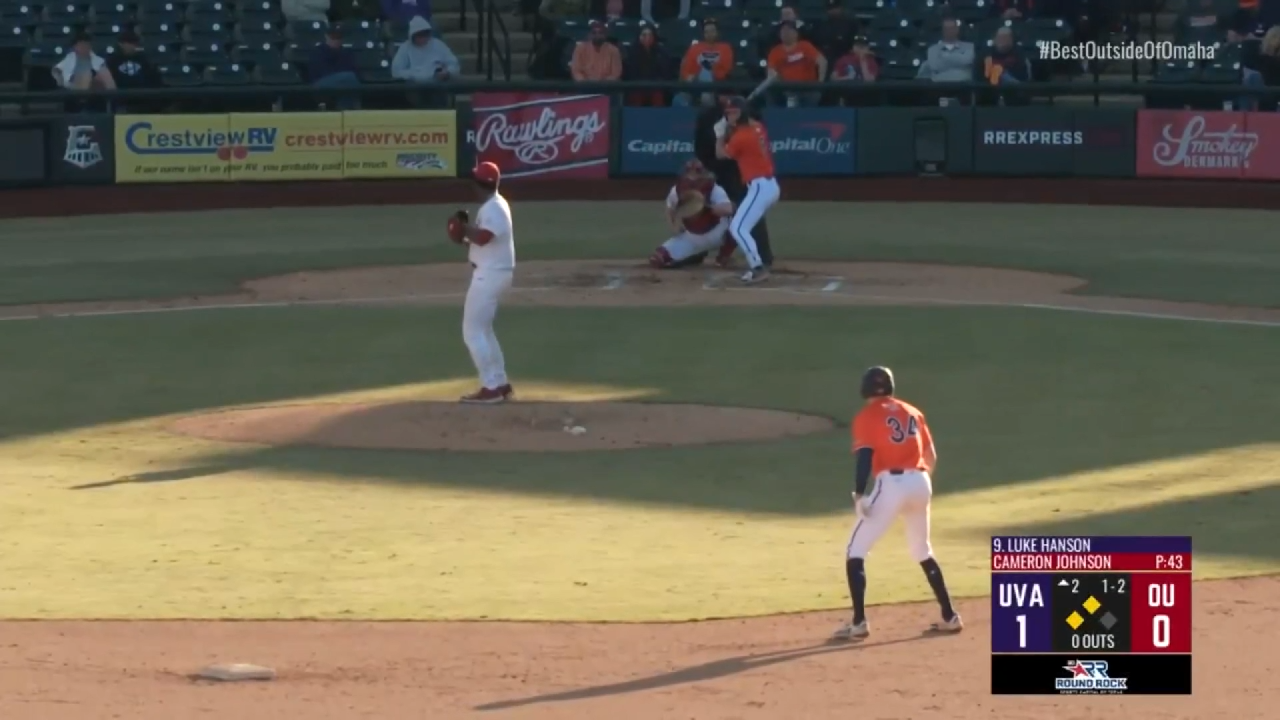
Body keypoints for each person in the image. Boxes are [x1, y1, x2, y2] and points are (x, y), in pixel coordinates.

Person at [830, 366, 963, 641]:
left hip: (891, 483)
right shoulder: (913, 412)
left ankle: (859, 623)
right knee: (922, 550)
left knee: (856, 549)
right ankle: (950, 616)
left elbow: (865, 457)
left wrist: (859, 493)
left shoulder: (867, 416)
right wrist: (917, 485)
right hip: (921, 481)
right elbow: (931, 455)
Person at [454, 162, 516, 404]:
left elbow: (483, 237)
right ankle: (500, 382)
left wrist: (463, 229)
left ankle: (490, 388)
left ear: (479, 185)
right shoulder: (496, 205)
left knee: (472, 331)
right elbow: (481, 240)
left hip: (490, 275)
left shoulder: (494, 208)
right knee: (484, 330)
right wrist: (464, 236)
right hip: (495, 273)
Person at [694, 92, 770, 268]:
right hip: (714, 170)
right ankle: (695, 253)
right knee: (702, 209)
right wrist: (708, 168)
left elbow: (742, 144)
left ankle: (763, 257)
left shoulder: (751, 116)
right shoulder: (707, 116)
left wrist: (728, 129)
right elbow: (701, 147)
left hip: (739, 171)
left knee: (750, 212)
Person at [716, 95, 776, 283]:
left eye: (733, 113)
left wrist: (719, 135)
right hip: (767, 186)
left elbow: (721, 154)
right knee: (743, 227)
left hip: (760, 187)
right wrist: (733, 121)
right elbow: (749, 124)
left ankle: (758, 268)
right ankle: (758, 264)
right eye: (728, 113)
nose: (729, 116)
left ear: (741, 114)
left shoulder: (741, 137)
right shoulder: (757, 128)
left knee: (738, 228)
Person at [649, 159, 735, 269]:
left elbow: (729, 209)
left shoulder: (714, 189)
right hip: (692, 236)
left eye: (697, 172)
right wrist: (673, 226)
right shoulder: (677, 190)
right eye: (691, 172)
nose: (694, 176)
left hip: (717, 233)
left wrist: (706, 206)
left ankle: (724, 255)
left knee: (738, 223)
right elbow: (670, 208)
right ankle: (696, 255)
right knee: (658, 258)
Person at [391, 17, 460, 108]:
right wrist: (415, 75)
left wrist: (447, 72)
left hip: (437, 84)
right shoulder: (405, 48)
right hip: (415, 87)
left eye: (425, 34)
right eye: (419, 35)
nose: (423, 38)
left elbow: (453, 63)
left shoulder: (438, 45)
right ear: (413, 35)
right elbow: (396, 71)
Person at [765, 20, 825, 107]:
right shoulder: (775, 51)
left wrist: (820, 83)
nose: (785, 33)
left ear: (796, 33)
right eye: (783, 31)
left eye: (789, 30)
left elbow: (822, 62)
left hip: (807, 88)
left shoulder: (805, 46)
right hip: (786, 89)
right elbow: (771, 71)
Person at [676, 18, 733, 107]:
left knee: (706, 73)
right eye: (707, 32)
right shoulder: (694, 48)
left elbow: (725, 69)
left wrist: (709, 70)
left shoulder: (725, 48)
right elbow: (686, 70)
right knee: (678, 100)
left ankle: (707, 107)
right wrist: (692, 76)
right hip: (694, 84)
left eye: (712, 31)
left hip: (717, 85)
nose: (709, 34)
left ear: (717, 32)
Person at [105, 29, 159, 112]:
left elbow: (151, 79)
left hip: (142, 100)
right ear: (121, 44)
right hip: (120, 100)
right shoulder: (112, 61)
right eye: (129, 43)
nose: (132, 46)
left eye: (134, 44)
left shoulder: (143, 60)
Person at [310, 25, 362, 110]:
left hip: (344, 84)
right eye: (333, 37)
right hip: (320, 83)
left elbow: (356, 71)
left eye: (339, 37)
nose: (336, 40)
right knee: (350, 78)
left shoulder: (346, 52)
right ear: (326, 36)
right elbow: (322, 73)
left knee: (349, 83)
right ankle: (351, 109)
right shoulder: (319, 52)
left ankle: (344, 110)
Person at [624, 24, 672, 106]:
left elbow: (665, 72)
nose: (647, 38)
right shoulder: (632, 52)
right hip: (637, 86)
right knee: (635, 94)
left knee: (658, 95)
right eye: (644, 35)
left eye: (650, 35)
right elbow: (630, 73)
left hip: (656, 86)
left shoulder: (661, 52)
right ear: (639, 37)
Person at [813, 0, 857, 65]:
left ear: (841, 8)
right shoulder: (820, 25)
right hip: (825, 58)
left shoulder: (850, 24)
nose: (833, 11)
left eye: (835, 8)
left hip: (844, 59)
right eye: (830, 9)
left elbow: (854, 44)